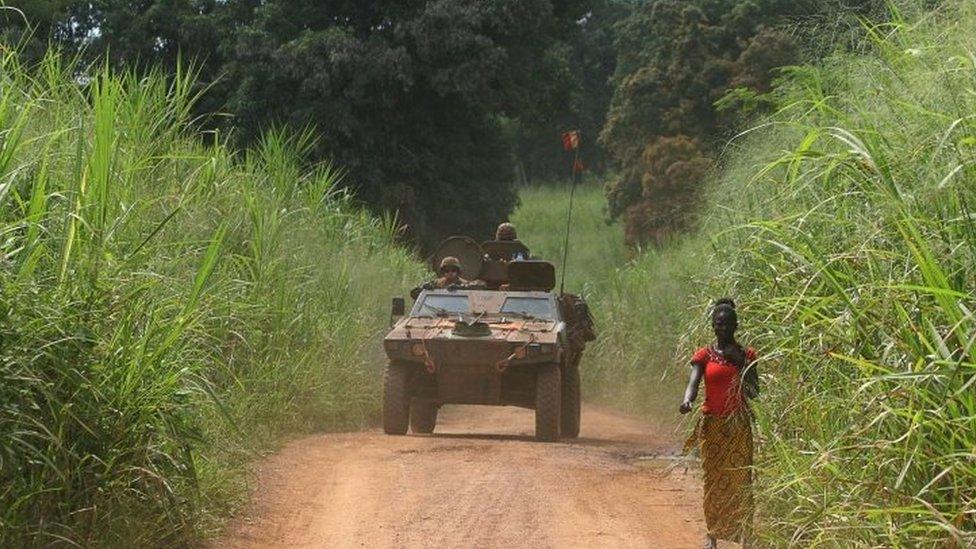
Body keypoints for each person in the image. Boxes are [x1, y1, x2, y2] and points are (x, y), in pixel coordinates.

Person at [680, 298, 759, 549]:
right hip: (712, 426)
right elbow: (693, 383)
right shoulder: (704, 355)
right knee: (713, 480)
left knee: (740, 479)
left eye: (726, 324)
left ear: (735, 326)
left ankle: (744, 534)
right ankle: (712, 535)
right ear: (713, 326)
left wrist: (741, 364)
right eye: (718, 323)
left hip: (738, 426)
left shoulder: (747, 355)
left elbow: (754, 391)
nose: (721, 327)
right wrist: (687, 401)